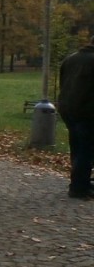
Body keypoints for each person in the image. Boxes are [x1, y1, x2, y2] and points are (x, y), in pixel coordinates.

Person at [58, 36, 94, 199]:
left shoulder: (70, 59)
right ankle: (79, 187)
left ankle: (80, 182)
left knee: (77, 146)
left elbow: (63, 83)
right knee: (86, 150)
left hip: (68, 109)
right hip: (87, 111)